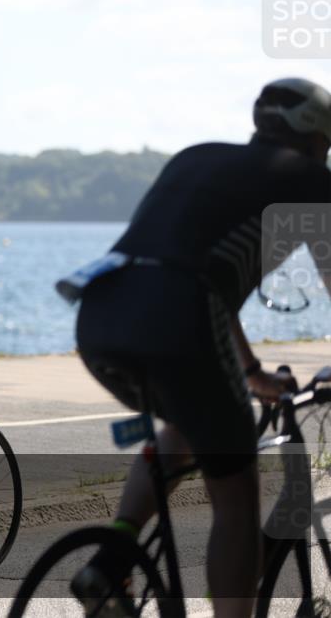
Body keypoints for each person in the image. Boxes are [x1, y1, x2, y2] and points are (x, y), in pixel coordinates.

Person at [67, 77, 331, 616]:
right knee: (236, 497)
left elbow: (189, 273)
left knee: (185, 426)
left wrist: (251, 371)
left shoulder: (197, 156)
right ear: (316, 136)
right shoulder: (311, 179)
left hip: (101, 312)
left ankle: (113, 560)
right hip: (179, 318)